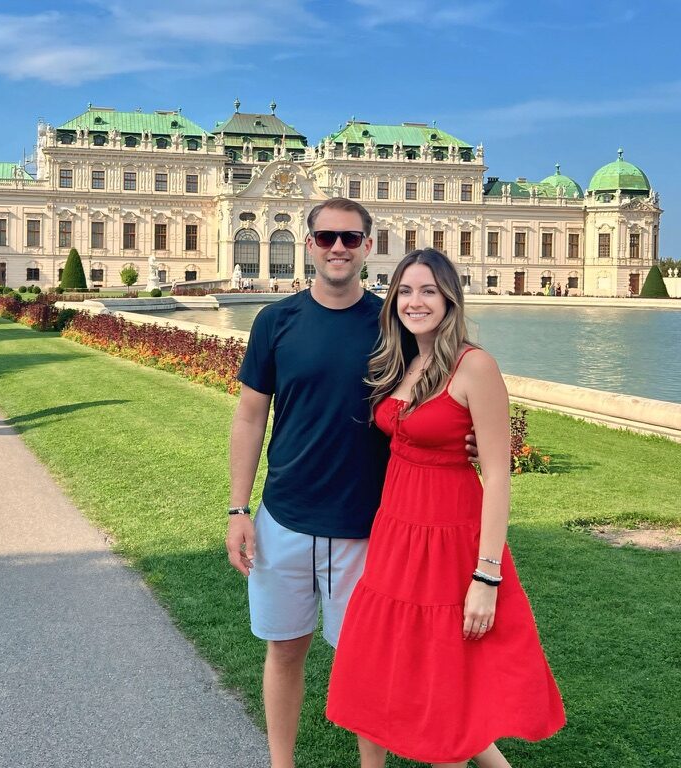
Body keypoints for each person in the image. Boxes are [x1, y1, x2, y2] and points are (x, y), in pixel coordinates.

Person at [227, 200, 477, 768]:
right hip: (284, 516)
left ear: (368, 245)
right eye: (326, 237)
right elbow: (248, 415)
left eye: (350, 237)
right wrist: (238, 509)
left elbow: (452, 386)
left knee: (368, 660)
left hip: (369, 524)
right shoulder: (275, 321)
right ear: (310, 244)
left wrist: (470, 440)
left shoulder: (397, 323)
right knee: (285, 650)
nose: (337, 247)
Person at [327, 249, 565, 767]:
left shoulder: (474, 365)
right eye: (406, 290)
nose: (415, 301)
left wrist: (487, 575)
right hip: (396, 533)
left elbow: (498, 476)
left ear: (450, 299)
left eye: (428, 290)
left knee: (446, 688)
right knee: (379, 668)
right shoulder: (402, 361)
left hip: (449, 539)